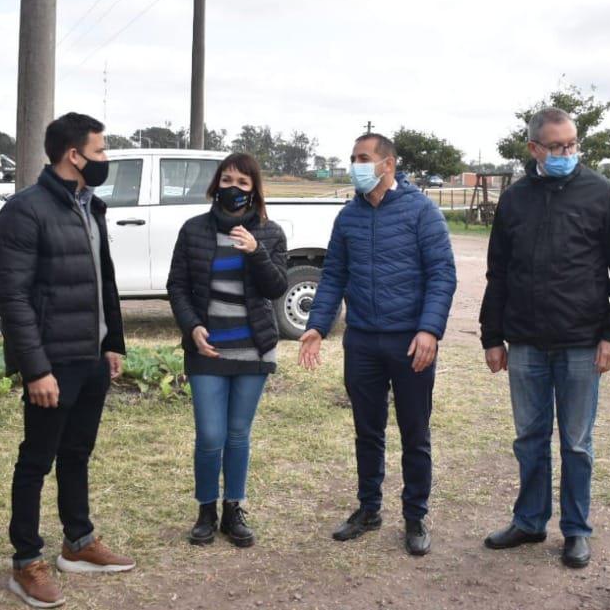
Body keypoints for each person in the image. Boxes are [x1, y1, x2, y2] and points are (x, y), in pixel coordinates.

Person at [479, 107, 610, 569]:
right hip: (527, 344)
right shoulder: (515, 200)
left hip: (581, 344)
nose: (565, 153)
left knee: (576, 443)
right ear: (533, 148)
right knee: (530, 438)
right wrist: (493, 336)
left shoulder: (602, 194)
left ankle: (576, 530)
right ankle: (529, 521)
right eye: (555, 147)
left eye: (571, 145)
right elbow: (499, 273)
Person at [0, 112, 133, 610]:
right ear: (73, 155)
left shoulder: (90, 205)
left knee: (78, 453)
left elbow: (104, 280)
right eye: (99, 152)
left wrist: (112, 342)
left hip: (91, 357)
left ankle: (78, 542)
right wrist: (35, 368)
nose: (104, 161)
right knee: (37, 459)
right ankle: (25, 560)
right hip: (52, 363)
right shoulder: (25, 211)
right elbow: (12, 297)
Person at [299, 133, 457, 556]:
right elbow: (333, 275)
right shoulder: (348, 217)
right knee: (367, 431)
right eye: (352, 158)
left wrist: (429, 330)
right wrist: (317, 325)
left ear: (388, 164)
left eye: (363, 158)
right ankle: (368, 509)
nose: (356, 165)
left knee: (414, 432)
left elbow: (442, 273)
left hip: (411, 342)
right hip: (363, 341)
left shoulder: (421, 211)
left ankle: (415, 515)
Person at [167, 153, 290, 547]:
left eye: (242, 182)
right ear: (215, 183)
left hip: (253, 350)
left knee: (238, 434)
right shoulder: (193, 231)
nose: (233, 188)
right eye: (227, 179)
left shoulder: (270, 233)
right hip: (209, 350)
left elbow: (275, 287)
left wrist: (255, 250)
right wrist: (192, 326)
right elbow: (178, 286)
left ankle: (233, 509)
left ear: (254, 189)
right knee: (210, 435)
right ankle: (206, 509)